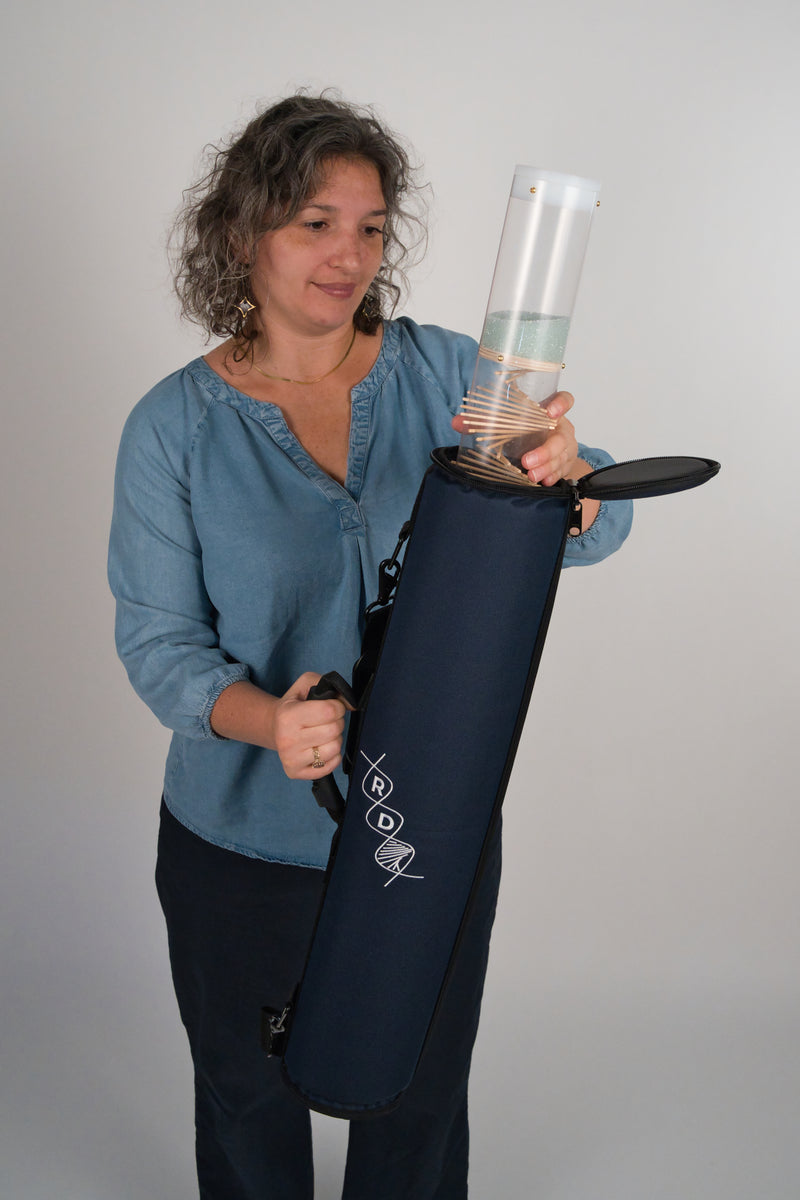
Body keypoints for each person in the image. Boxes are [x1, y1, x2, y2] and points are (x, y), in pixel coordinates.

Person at [108, 92, 632, 1200]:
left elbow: (587, 524)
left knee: (417, 1103)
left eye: (371, 227)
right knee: (247, 1100)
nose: (349, 255)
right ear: (242, 231)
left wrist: (572, 484)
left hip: (430, 826)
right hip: (240, 850)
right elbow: (159, 643)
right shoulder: (173, 428)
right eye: (315, 222)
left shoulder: (453, 379)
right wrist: (268, 720)